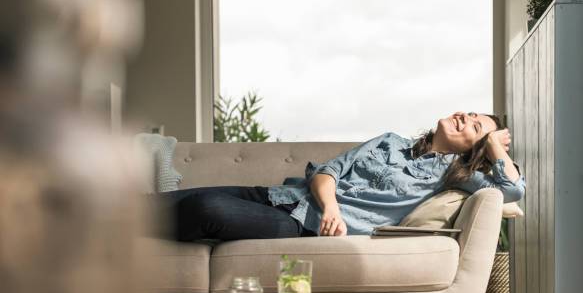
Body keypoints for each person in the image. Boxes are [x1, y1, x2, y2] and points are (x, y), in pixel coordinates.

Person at [146, 112, 525, 242]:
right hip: (279, 196)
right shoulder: (390, 141)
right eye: (469, 112)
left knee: (204, 206)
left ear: (472, 148)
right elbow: (330, 170)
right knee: (166, 201)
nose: (464, 116)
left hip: (299, 226)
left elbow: (511, 192)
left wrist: (494, 146)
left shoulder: (453, 176)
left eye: (475, 126)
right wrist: (332, 206)